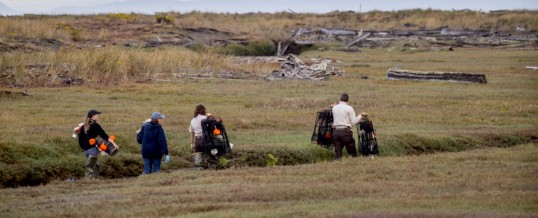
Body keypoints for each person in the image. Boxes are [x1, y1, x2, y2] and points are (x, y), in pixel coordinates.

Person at [78, 109, 119, 179]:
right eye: (97, 115)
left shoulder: (83, 126)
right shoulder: (95, 125)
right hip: (92, 150)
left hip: (86, 151)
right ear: (93, 116)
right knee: (91, 168)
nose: (98, 116)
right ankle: (89, 182)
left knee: (96, 166)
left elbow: (80, 140)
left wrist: (84, 148)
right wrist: (114, 144)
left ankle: (94, 181)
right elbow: (105, 136)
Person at [331, 93, 361, 160]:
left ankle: (337, 163)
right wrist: (360, 116)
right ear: (347, 100)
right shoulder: (349, 108)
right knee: (352, 152)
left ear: (340, 99)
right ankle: (353, 162)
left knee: (338, 154)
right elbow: (353, 122)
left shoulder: (334, 108)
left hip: (335, 132)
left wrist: (333, 106)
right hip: (345, 132)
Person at [188, 104, 209, 169]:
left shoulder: (193, 120)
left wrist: (192, 143)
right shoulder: (205, 118)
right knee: (208, 155)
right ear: (203, 110)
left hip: (197, 140)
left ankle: (199, 169)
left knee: (198, 157)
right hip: (205, 139)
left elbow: (192, 133)